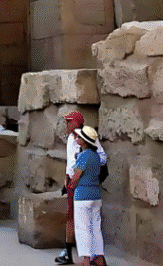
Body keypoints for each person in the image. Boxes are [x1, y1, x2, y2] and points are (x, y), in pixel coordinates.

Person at [57, 112, 107, 264]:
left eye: (69, 122)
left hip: (81, 188)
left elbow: (101, 159)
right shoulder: (70, 140)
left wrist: (80, 174)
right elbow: (69, 163)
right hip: (88, 189)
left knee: (83, 226)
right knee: (75, 219)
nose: (66, 125)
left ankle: (88, 258)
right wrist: (67, 178)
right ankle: (72, 252)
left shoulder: (86, 149)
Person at [68, 126, 106, 266]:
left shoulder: (84, 155)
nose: (76, 138)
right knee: (96, 228)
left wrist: (71, 185)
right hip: (96, 195)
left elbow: (76, 176)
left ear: (84, 141)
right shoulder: (96, 156)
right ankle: (99, 258)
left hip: (83, 196)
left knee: (82, 229)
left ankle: (86, 260)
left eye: (79, 137)